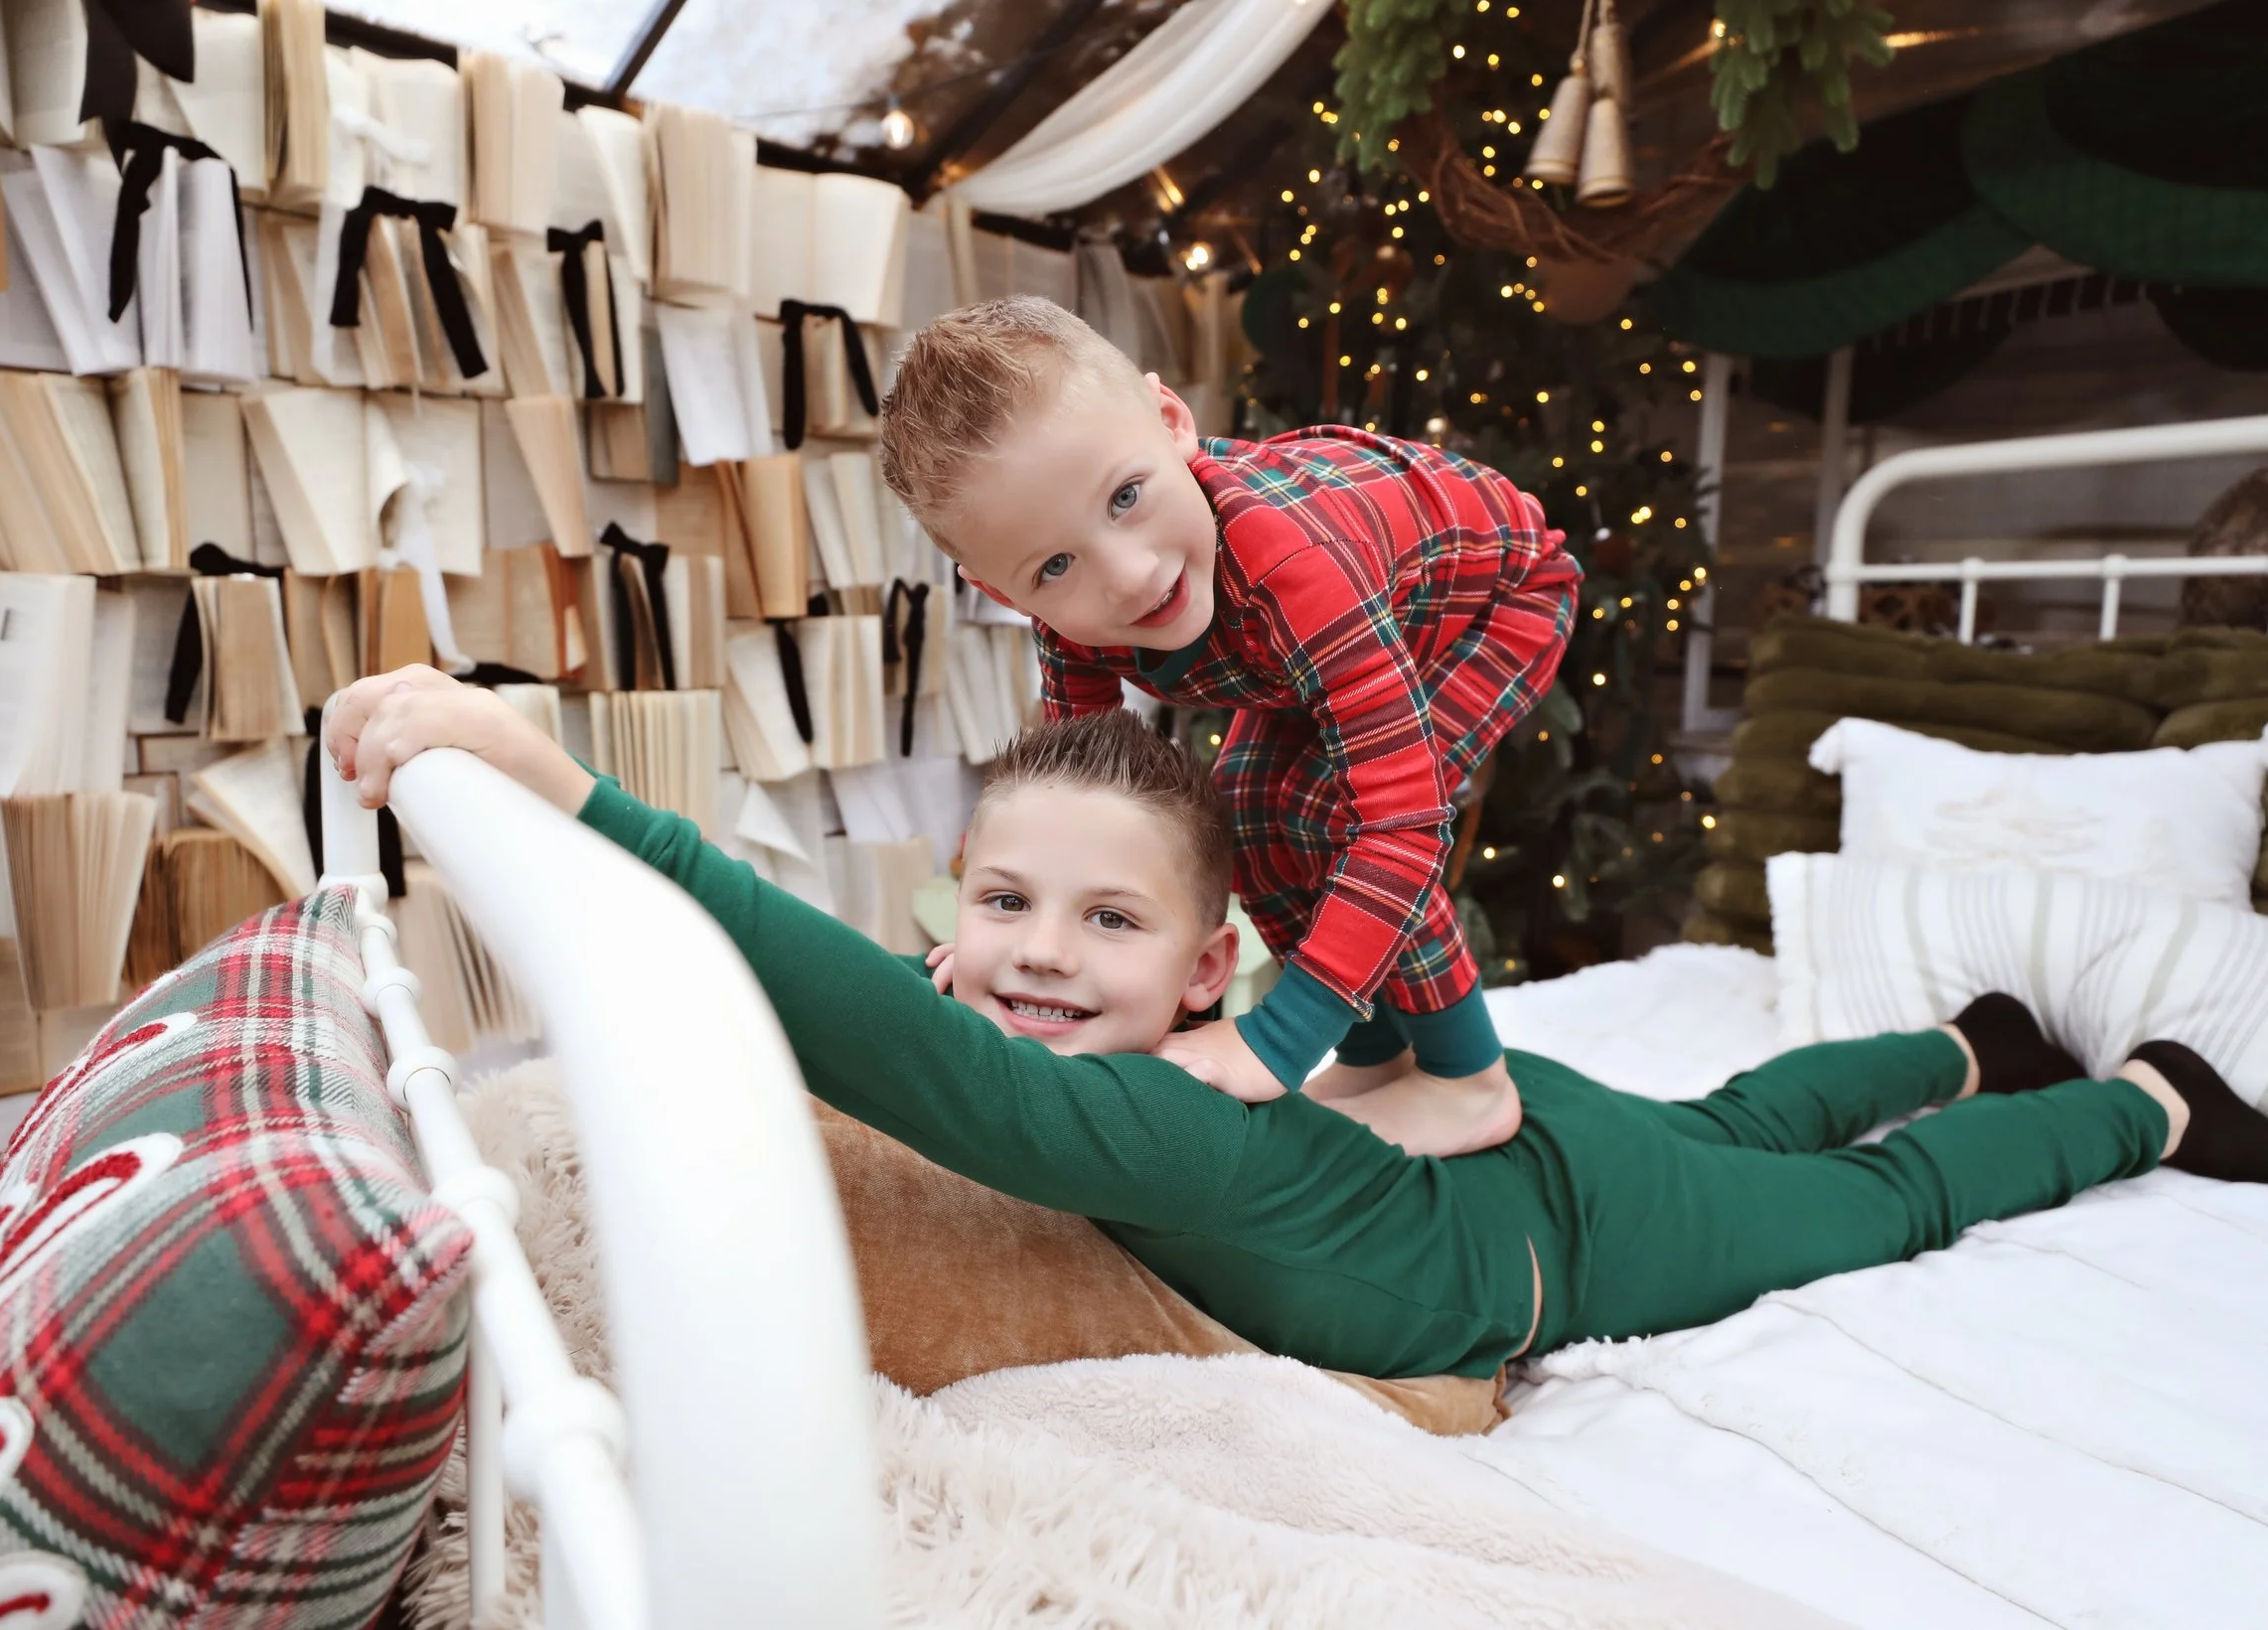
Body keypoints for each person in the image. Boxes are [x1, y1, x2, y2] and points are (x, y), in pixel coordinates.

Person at [325, 672, 2268, 1383]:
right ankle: (1966, 1024)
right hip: (1506, 1130)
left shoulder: (1152, 1119)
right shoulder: (1139, 1041)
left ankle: (2140, 1102)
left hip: (1572, 1237)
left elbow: (872, 1029)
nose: (1030, 954)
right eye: (999, 900)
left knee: (1865, 1199)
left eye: (1105, 918)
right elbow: (915, 990)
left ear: (1205, 970)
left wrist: (561, 782)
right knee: (1745, 1101)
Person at [876, 296, 1584, 1159]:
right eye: (1056, 565)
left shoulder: (1295, 565)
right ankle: (1373, 1052)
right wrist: (992, 950)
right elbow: (1086, 822)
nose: (1131, 576)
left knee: (1332, 808)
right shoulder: (1070, 621)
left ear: (1171, 419)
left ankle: (1468, 1078)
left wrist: (1275, 1039)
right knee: (1242, 807)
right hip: (1332, 634)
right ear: (1001, 591)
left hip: (1495, 602)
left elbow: (1404, 819)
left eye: (1127, 496)